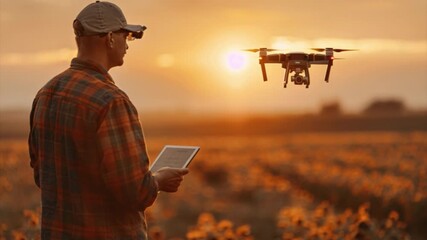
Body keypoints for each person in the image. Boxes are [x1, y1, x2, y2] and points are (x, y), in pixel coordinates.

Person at [28, 1, 189, 239]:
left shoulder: (47, 92)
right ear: (111, 38)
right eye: (127, 36)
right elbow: (136, 192)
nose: (127, 45)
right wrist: (158, 180)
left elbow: (41, 174)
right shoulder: (110, 101)